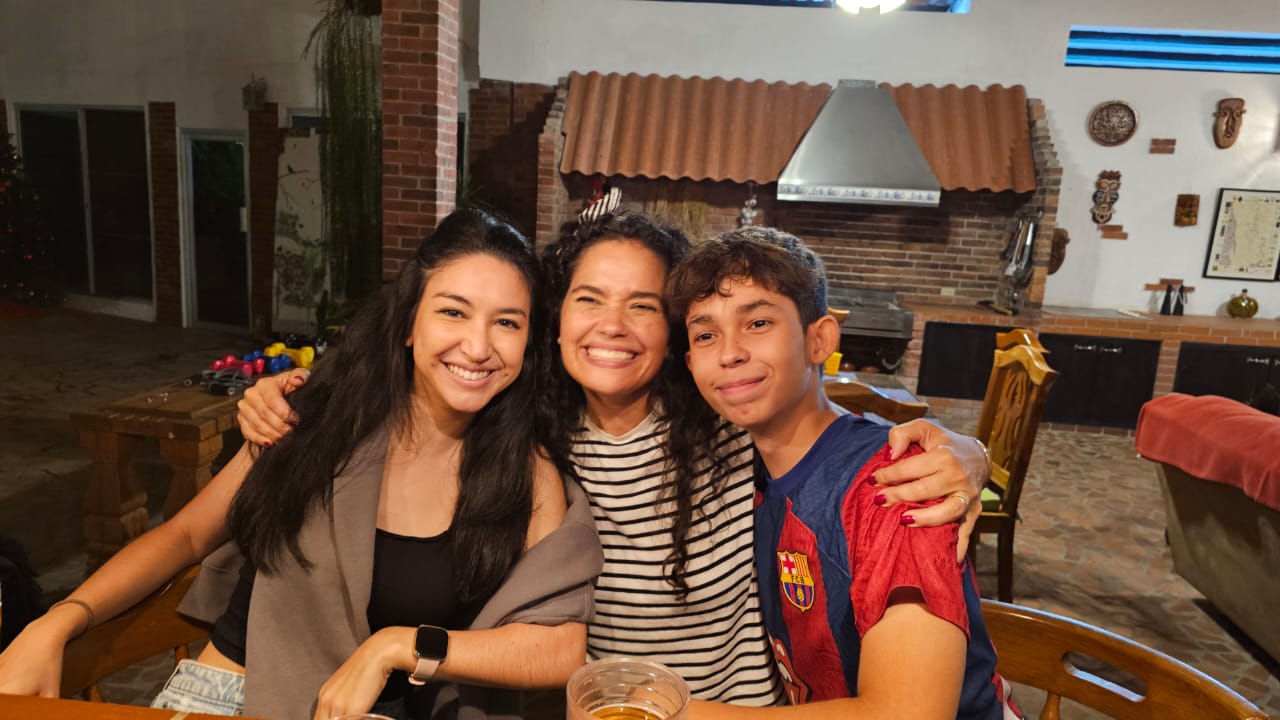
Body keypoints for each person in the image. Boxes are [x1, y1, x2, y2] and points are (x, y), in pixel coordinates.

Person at [239, 203, 988, 707]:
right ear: (555, 318)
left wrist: (964, 450)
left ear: (672, 334)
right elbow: (417, 392)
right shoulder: (529, 431)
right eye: (589, 298)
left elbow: (817, 425)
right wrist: (287, 395)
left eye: (644, 306)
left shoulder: (723, 420)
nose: (613, 326)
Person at [0, 209, 601, 720]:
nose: (477, 346)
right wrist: (58, 620)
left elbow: (557, 648)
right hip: (231, 694)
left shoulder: (523, 473)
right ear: (408, 325)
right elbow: (184, 535)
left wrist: (397, 646)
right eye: (453, 312)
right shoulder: (314, 419)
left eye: (506, 322)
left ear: (528, 344)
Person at [669, 226, 1018, 719]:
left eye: (758, 323)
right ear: (690, 363)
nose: (729, 353)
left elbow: (908, 714)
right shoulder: (741, 465)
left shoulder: (896, 486)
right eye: (706, 335)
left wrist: (664, 711)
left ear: (820, 340)